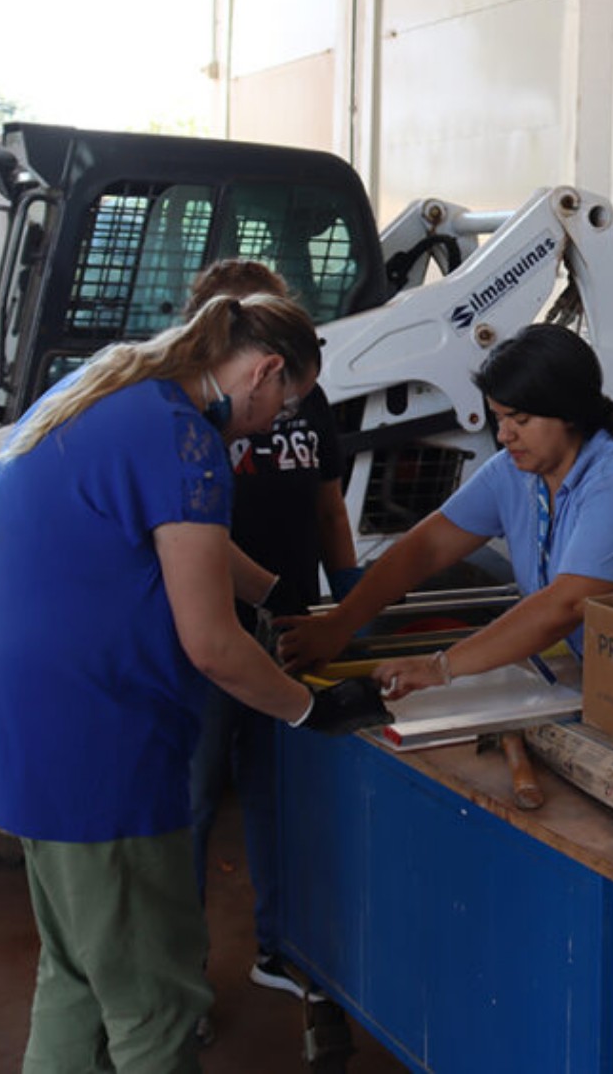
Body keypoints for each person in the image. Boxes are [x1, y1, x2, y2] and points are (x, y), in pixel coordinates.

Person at [0, 292, 385, 1073]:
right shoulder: (183, 439)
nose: (268, 425)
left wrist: (275, 592)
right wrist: (310, 706)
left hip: (28, 735)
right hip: (102, 750)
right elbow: (214, 648)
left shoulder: (108, 387)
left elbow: (172, 532)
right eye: (282, 404)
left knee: (78, 977)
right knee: (155, 1003)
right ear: (265, 371)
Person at [277, 322, 613, 691]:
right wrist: (340, 623)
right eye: (499, 417)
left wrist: (442, 667)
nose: (504, 434)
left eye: (521, 419)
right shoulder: (514, 470)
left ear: (570, 413)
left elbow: (569, 603)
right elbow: (428, 547)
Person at [181, 263, 360, 1009]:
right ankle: (177, 976)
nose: (279, 407)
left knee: (278, 792)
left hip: (285, 620)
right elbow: (194, 539)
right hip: (204, 626)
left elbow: (328, 509)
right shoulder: (183, 419)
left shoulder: (309, 404)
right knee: (188, 801)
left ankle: (281, 946)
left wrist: (345, 602)